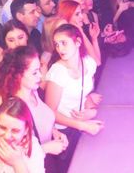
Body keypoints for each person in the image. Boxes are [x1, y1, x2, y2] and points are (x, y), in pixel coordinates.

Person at [0, 46, 68, 172]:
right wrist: (46, 148)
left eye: (39, 70)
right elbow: (11, 158)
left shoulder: (34, 91)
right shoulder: (14, 110)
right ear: (18, 76)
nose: (40, 75)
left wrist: (54, 131)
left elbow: (42, 119)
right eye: (34, 72)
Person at [45, 24, 104, 173]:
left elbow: (84, 93)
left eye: (64, 43)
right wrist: (82, 125)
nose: (60, 48)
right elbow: (49, 113)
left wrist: (90, 109)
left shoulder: (88, 63)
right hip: (63, 132)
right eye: (57, 44)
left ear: (77, 42)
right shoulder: (58, 72)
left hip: (80, 125)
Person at [0, 96, 45, 173]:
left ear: (26, 130)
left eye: (15, 131)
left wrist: (17, 163)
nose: (7, 136)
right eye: (2, 128)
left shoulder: (33, 147)